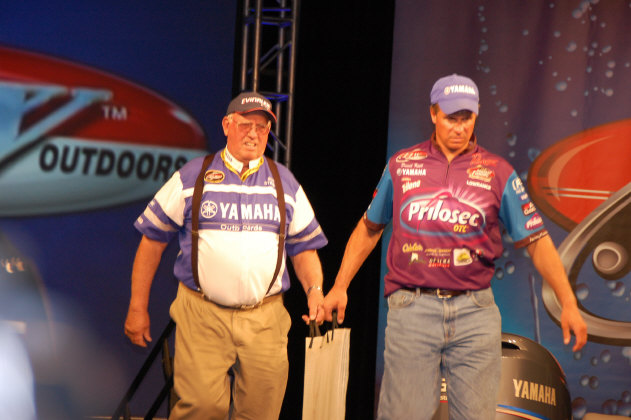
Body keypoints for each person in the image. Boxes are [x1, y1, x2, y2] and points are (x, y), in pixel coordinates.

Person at [322, 74, 587, 420]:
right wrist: (340, 286)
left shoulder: (497, 172)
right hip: (412, 309)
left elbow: (536, 240)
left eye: (467, 118)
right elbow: (369, 228)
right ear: (433, 114)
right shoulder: (401, 165)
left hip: (475, 313)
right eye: (451, 117)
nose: (460, 127)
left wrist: (568, 302)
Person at [124, 91, 328, 420]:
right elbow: (152, 240)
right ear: (226, 125)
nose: (253, 134)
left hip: (265, 319)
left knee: (261, 413)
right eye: (246, 124)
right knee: (200, 409)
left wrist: (315, 291)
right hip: (202, 314)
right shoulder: (193, 176)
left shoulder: (284, 182)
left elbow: (303, 247)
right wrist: (137, 307)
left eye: (262, 128)